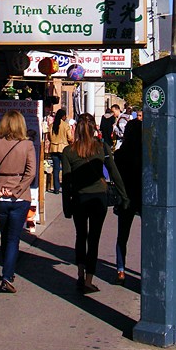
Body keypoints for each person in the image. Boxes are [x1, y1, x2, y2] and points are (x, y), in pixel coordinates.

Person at [61, 113, 129, 293]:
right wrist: (124, 196)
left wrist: (66, 206)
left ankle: (80, 274)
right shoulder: (102, 148)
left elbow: (66, 182)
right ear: (93, 128)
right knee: (94, 238)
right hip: (99, 197)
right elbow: (114, 173)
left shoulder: (69, 151)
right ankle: (89, 279)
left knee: (80, 236)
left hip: (78, 198)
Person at [0, 109, 37, 293]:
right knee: (13, 238)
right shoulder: (27, 145)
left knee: (5, 235)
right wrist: (17, 190)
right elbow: (31, 172)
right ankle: (7, 276)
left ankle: (7, 269)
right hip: (20, 197)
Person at [113, 118, 143, 284]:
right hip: (142, 197)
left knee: (122, 235)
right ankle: (146, 268)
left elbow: (116, 178)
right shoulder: (146, 153)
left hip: (125, 197)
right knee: (148, 235)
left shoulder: (120, 155)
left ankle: (121, 269)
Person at [47, 108, 73, 194]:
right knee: (66, 169)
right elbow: (70, 137)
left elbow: (49, 137)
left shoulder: (51, 125)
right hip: (63, 148)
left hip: (53, 148)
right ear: (63, 116)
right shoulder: (65, 125)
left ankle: (56, 188)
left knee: (56, 169)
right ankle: (66, 187)